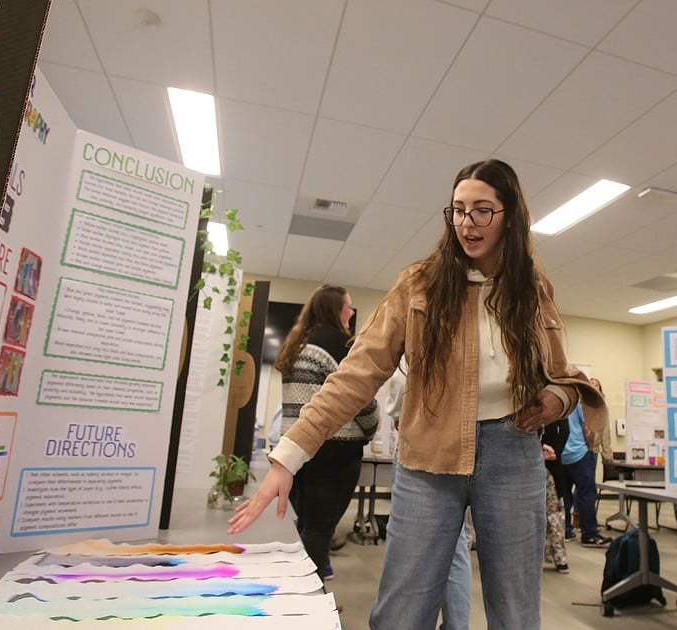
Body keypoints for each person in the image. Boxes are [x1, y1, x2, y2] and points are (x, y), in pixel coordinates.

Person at [229, 159, 605, 630]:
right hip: (429, 456)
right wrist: (288, 457)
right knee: (403, 610)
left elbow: (561, 376)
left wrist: (555, 400)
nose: (467, 223)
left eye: (483, 210)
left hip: (514, 454)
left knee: (516, 610)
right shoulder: (419, 284)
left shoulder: (532, 290)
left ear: (511, 215)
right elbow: (356, 375)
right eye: (458, 210)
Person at [274, 283, 379, 582]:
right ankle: (309, 596)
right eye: (349, 305)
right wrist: (373, 427)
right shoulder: (340, 344)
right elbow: (359, 396)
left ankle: (301, 589)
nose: (353, 311)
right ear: (336, 309)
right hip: (333, 450)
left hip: (296, 446)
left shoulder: (296, 342)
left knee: (307, 523)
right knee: (320, 529)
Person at [383, 361, 474, 630]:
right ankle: (456, 624)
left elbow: (401, 389)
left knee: (415, 547)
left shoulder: (425, 334)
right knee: (456, 545)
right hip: (463, 445)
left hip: (425, 445)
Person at [560, 377, 612, 547]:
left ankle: (566, 530)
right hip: (579, 453)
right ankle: (589, 533)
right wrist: (590, 448)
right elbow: (588, 427)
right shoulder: (580, 402)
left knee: (565, 495)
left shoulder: (559, 400)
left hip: (562, 455)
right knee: (587, 493)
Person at [540, 420, 569, 573]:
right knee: (554, 515)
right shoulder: (557, 400)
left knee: (549, 514)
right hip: (550, 464)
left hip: (534, 465)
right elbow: (565, 430)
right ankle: (559, 558)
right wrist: (554, 451)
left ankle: (538, 557)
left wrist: (547, 450)